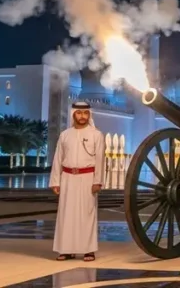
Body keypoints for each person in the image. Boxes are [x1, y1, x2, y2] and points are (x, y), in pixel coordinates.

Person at [50, 101, 105, 262]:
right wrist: (55, 181)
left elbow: (100, 160)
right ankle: (66, 250)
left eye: (85, 113)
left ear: (89, 115)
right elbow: (58, 159)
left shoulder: (96, 135)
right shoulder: (65, 135)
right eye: (79, 113)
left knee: (87, 214)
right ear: (74, 114)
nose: (82, 116)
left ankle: (88, 250)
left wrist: (98, 181)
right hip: (67, 178)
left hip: (87, 179)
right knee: (66, 215)